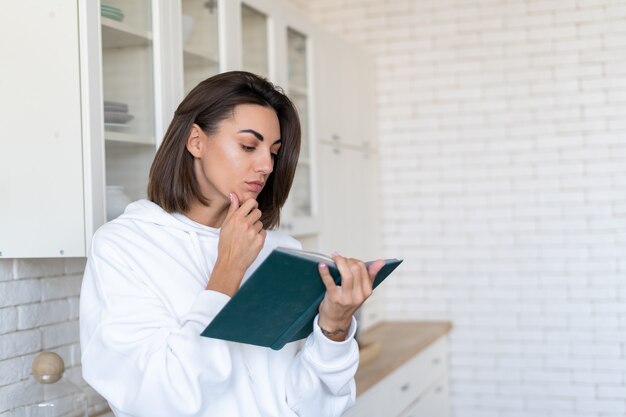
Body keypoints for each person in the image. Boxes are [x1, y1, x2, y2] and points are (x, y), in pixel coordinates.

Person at [79, 71, 384, 417]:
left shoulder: (280, 250)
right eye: (248, 146)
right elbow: (158, 401)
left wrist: (334, 327)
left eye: (273, 151)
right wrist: (228, 270)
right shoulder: (124, 247)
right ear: (196, 141)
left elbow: (312, 407)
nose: (267, 165)